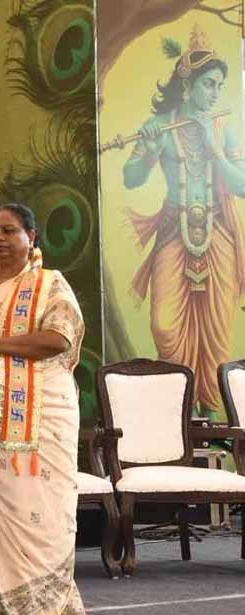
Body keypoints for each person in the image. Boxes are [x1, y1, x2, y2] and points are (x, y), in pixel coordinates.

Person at [0, 204, 88, 615]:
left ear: (32, 237)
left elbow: (59, 338)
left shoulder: (50, 283)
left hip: (41, 411)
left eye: (9, 231)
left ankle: (42, 611)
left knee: (37, 506)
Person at [122, 24, 245, 420]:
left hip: (219, 234)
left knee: (217, 332)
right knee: (164, 326)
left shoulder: (223, 129)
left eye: (219, 85)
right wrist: (149, 149)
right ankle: (176, 412)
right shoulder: (161, 124)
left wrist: (214, 148)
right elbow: (130, 177)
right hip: (174, 232)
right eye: (209, 84)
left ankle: (211, 419)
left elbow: (242, 185)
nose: (215, 92)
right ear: (188, 86)